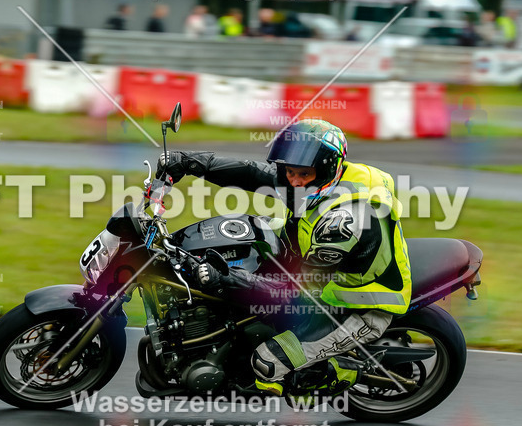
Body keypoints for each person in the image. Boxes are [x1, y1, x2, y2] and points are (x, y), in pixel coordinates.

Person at [158, 119, 412, 397]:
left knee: (266, 362)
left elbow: (296, 295)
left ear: (326, 170)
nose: (293, 181)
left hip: (355, 306)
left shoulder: (342, 224)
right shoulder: (321, 179)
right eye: (289, 171)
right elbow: (254, 174)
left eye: (303, 174)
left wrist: (227, 278)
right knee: (249, 240)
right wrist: (191, 163)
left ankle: (338, 374)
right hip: (316, 260)